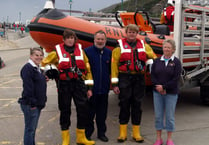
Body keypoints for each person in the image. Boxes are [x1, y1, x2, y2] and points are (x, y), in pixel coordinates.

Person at [41, 29, 95, 145]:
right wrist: (47, 73)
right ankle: (66, 139)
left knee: (82, 109)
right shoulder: (56, 52)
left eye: (72, 38)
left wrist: (89, 88)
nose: (70, 40)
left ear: (75, 39)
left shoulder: (81, 51)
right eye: (68, 38)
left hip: (79, 84)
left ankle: (81, 137)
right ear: (64, 39)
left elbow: (87, 69)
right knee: (65, 110)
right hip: (64, 85)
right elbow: (43, 64)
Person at [111, 24, 157, 143]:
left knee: (137, 105)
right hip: (124, 77)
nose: (132, 34)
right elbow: (114, 66)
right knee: (124, 104)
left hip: (139, 78)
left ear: (137, 33)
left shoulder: (144, 46)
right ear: (126, 32)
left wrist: (150, 62)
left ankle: (136, 133)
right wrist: (115, 84)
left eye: (134, 32)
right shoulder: (119, 47)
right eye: (130, 32)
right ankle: (123, 133)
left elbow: (153, 56)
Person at [151, 39, 182, 145]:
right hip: (157, 93)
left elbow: (176, 78)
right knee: (158, 116)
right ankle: (158, 138)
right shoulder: (156, 61)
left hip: (171, 93)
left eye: (169, 47)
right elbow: (153, 76)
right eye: (165, 47)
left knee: (169, 117)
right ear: (162, 48)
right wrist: (158, 87)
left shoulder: (176, 62)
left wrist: (164, 87)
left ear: (173, 49)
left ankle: (169, 139)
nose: (166, 49)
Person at [84, 30, 112, 142]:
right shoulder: (86, 52)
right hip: (91, 90)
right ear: (94, 39)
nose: (100, 41)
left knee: (102, 114)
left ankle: (101, 133)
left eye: (102, 39)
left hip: (104, 90)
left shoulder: (109, 53)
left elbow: (112, 70)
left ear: (105, 40)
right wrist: (87, 89)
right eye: (98, 39)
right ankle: (88, 133)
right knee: (89, 114)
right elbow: (84, 72)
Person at [18, 47, 48, 145]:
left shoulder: (37, 68)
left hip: (37, 104)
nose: (39, 57)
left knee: (32, 129)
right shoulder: (28, 68)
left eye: (41, 55)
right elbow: (28, 88)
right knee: (30, 129)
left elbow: (37, 82)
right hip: (31, 105)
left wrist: (43, 79)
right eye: (36, 55)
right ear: (31, 56)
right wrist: (33, 103)